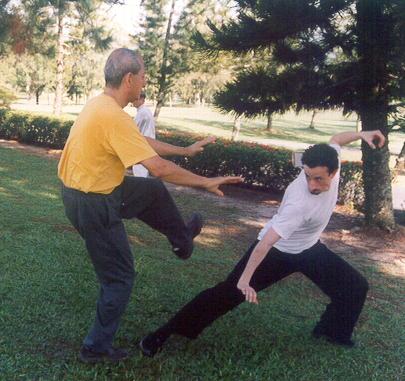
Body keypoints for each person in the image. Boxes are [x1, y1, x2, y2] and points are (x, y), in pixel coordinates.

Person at [57, 48, 241, 364]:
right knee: (120, 277)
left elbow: (139, 142)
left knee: (151, 191)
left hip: (98, 191)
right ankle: (95, 348)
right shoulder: (111, 114)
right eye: (143, 77)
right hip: (93, 202)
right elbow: (160, 167)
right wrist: (205, 182)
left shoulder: (101, 105)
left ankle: (182, 240)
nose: (144, 82)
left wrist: (185, 149)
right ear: (129, 78)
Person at [139, 130, 386, 357]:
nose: (312, 184)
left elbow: (335, 140)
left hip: (308, 248)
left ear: (334, 171)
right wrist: (244, 281)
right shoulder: (299, 205)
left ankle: (332, 332)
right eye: (308, 176)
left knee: (355, 286)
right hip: (277, 252)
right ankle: (162, 333)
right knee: (226, 293)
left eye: (318, 179)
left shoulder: (332, 158)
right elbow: (265, 245)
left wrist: (361, 134)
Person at [132, 91, 215, 177]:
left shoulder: (143, 112)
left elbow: (132, 129)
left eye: (136, 99)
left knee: (141, 171)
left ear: (142, 99)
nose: (133, 101)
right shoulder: (144, 111)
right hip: (146, 143)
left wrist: (186, 151)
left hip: (144, 145)